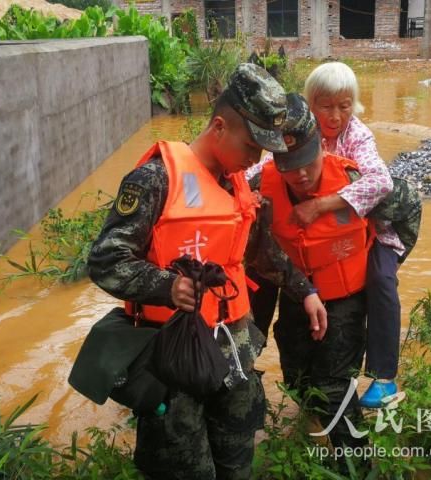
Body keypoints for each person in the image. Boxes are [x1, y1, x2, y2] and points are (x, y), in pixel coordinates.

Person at [87, 63, 327, 480]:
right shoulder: (154, 180)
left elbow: (257, 252)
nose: (256, 159)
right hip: (173, 360)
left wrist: (304, 290)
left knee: (237, 463)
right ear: (219, 126)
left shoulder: (237, 184)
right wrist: (167, 286)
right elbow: (106, 260)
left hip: (233, 355)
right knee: (183, 467)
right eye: (252, 146)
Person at [249, 62, 422, 408]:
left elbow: (381, 182)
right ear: (310, 106)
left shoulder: (356, 135)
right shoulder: (296, 132)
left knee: (381, 278)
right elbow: (260, 169)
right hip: (310, 246)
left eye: (344, 105)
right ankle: (244, 362)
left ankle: (384, 376)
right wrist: (245, 194)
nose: (335, 115)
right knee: (260, 275)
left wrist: (321, 205)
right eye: (326, 106)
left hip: (369, 233)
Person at [247, 92, 371, 456]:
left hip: (345, 299)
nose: (300, 173)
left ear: (321, 144)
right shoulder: (260, 186)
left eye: (306, 160)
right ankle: (312, 438)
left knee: (334, 386)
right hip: (296, 297)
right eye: (288, 163)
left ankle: (357, 462)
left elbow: (405, 209)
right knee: (297, 376)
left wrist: (386, 270)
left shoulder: (352, 177)